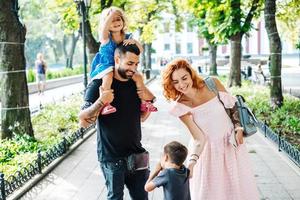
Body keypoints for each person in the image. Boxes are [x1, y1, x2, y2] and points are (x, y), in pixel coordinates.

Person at [162, 58, 259, 200]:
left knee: (237, 190)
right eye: (175, 82)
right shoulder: (180, 106)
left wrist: (238, 127)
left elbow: (232, 106)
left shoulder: (212, 83)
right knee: (210, 194)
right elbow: (198, 138)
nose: (182, 85)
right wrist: (192, 162)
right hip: (208, 153)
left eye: (184, 78)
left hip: (231, 145)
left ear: (191, 74)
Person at [79, 43, 154, 200]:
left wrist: (146, 107)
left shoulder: (135, 83)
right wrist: (101, 101)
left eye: (136, 64)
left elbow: (142, 117)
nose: (133, 68)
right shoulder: (99, 84)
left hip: (137, 154)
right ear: (117, 59)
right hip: (112, 158)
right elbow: (83, 121)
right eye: (129, 63)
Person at [90, 6, 157, 115]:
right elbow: (104, 29)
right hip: (107, 65)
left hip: (123, 66)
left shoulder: (128, 36)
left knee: (138, 77)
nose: (116, 22)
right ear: (106, 23)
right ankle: (105, 104)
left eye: (118, 19)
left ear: (123, 21)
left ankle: (144, 102)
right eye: (112, 20)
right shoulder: (106, 37)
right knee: (108, 78)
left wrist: (134, 42)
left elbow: (140, 50)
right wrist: (112, 13)